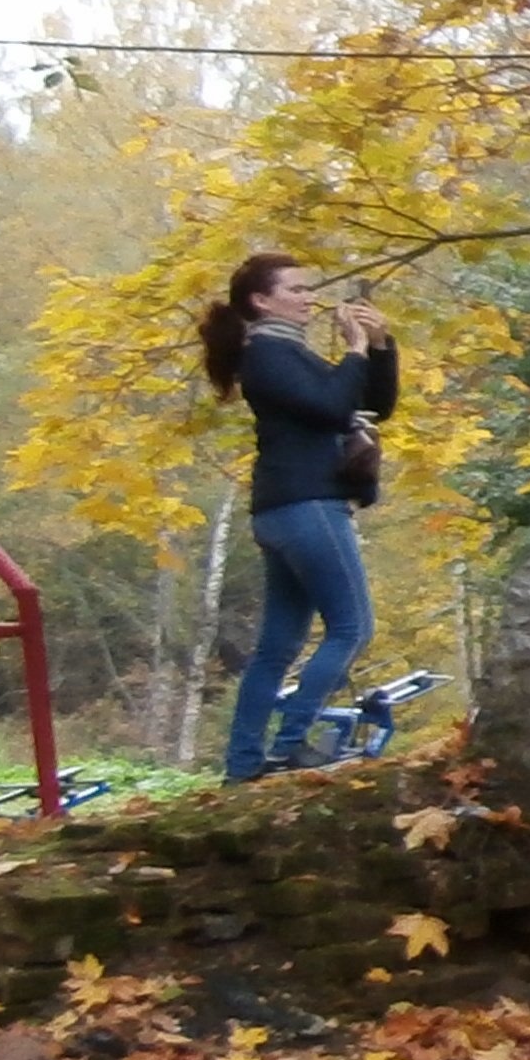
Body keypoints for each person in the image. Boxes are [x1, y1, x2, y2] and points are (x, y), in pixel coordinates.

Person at [196, 251, 397, 781]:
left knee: (277, 647)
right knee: (352, 628)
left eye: (310, 288)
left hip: (286, 509)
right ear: (262, 301)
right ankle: (291, 745)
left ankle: (242, 765)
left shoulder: (289, 353)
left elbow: (374, 404)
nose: (310, 297)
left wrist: (378, 346)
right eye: (296, 289)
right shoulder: (266, 353)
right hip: (307, 504)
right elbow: (333, 409)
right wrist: (354, 350)